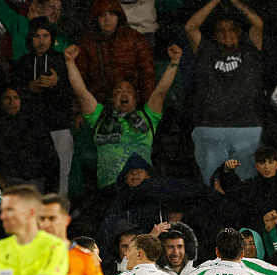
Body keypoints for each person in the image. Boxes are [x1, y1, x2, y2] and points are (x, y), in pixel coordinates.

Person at [66, 43, 180, 190]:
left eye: (128, 90)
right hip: (109, 189)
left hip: (142, 186)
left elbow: (161, 91)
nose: (124, 93)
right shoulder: (99, 116)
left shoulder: (148, 116)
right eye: (118, 91)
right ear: (112, 98)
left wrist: (174, 62)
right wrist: (70, 62)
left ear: (136, 97)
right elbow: (81, 91)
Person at [186, 0, 266, 182]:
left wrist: (234, 1)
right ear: (215, 35)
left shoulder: (251, 51)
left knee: (246, 185)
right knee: (212, 184)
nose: (226, 34)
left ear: (240, 34)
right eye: (221, 30)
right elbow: (190, 27)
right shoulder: (206, 51)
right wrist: (214, 1)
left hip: (247, 127)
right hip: (210, 126)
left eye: (231, 30)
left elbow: (258, 24)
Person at [12, 17, 75, 195]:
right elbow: (11, 95)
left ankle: (59, 219)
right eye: (37, 36)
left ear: (52, 37)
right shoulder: (22, 64)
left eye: (45, 35)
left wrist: (58, 83)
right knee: (33, 177)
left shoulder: (63, 61)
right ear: (30, 38)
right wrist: (28, 88)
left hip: (59, 126)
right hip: (30, 129)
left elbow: (74, 92)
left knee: (62, 175)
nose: (41, 41)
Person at [75, 0, 155, 105]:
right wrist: (78, 109)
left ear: (118, 17)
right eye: (103, 15)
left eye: (112, 14)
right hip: (97, 105)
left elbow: (147, 75)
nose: (107, 19)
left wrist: (146, 106)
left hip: (131, 104)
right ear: (96, 19)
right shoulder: (87, 42)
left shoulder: (135, 39)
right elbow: (80, 78)